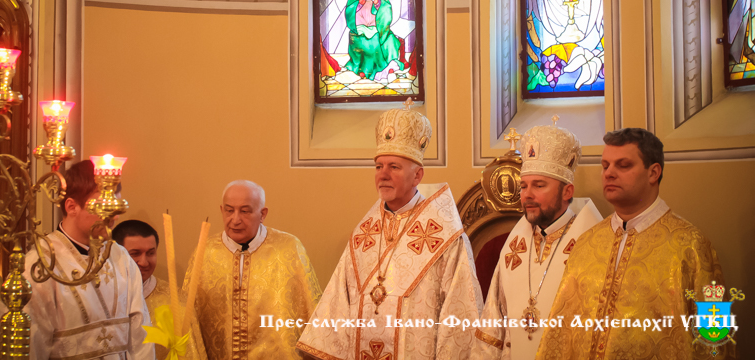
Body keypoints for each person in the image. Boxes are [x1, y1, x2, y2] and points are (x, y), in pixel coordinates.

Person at [297, 101, 483, 359]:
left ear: (417, 176)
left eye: (394, 167)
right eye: (378, 167)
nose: (383, 175)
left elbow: (460, 317)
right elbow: (338, 301)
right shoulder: (363, 236)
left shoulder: (447, 238)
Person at [535, 128, 729, 360]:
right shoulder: (587, 243)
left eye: (623, 165)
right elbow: (560, 334)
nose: (609, 173)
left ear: (653, 172)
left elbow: (715, 340)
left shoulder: (691, 246)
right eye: (605, 166)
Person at [0, 160, 154, 359]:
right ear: (72, 207)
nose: (113, 217)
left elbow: (141, 335)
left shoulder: (121, 257)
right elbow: (29, 346)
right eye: (104, 207)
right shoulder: (38, 266)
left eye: (115, 208)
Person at [471, 120, 602, 359]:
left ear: (567, 192)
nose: (527, 195)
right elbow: (493, 325)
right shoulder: (513, 247)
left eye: (539, 186)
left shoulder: (592, 247)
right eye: (524, 186)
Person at [184, 180, 321, 360]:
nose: (235, 220)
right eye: (229, 210)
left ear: (262, 214)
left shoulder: (289, 249)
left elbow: (313, 314)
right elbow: (188, 319)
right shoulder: (205, 252)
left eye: (245, 211)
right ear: (222, 210)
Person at [113, 219, 207, 360]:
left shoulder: (176, 302)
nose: (144, 262)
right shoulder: (99, 296)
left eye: (150, 253)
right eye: (135, 253)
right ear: (115, 253)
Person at [344, 0, 401, 80]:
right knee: (368, 43)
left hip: (376, 25)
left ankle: (385, 65)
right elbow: (349, 8)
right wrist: (361, 1)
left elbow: (386, 6)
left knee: (386, 40)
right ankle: (365, 69)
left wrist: (376, 1)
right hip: (359, 26)